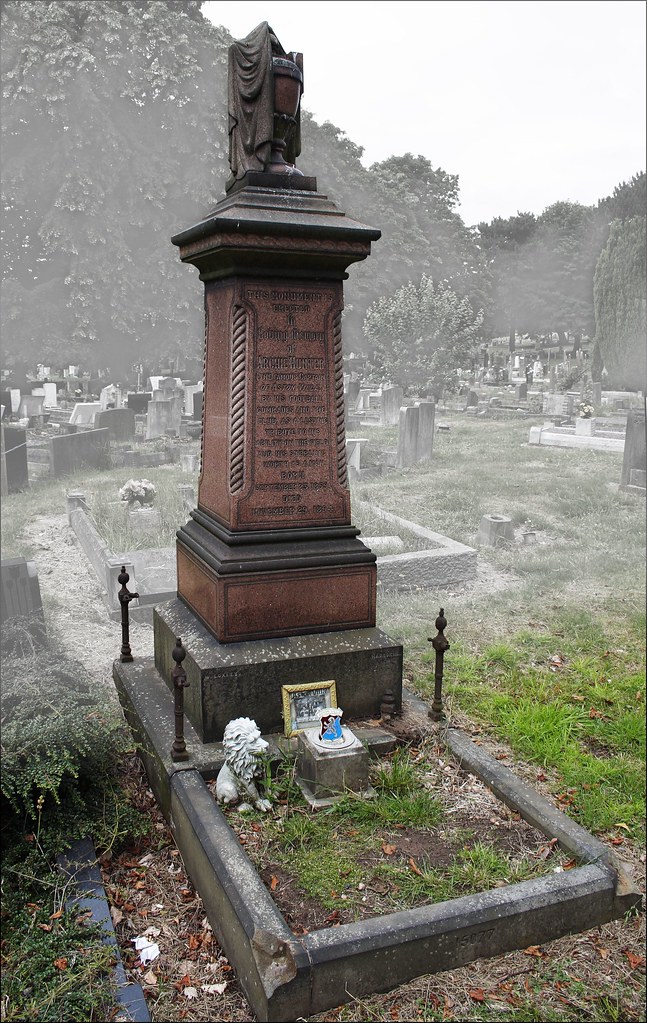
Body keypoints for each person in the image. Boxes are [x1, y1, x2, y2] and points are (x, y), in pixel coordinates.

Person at [227, 22, 303, 188]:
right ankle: (259, 156)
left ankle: (275, 152)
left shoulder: (287, 68)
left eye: (276, 50)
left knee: (282, 120)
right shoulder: (242, 57)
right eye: (271, 49)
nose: (274, 52)